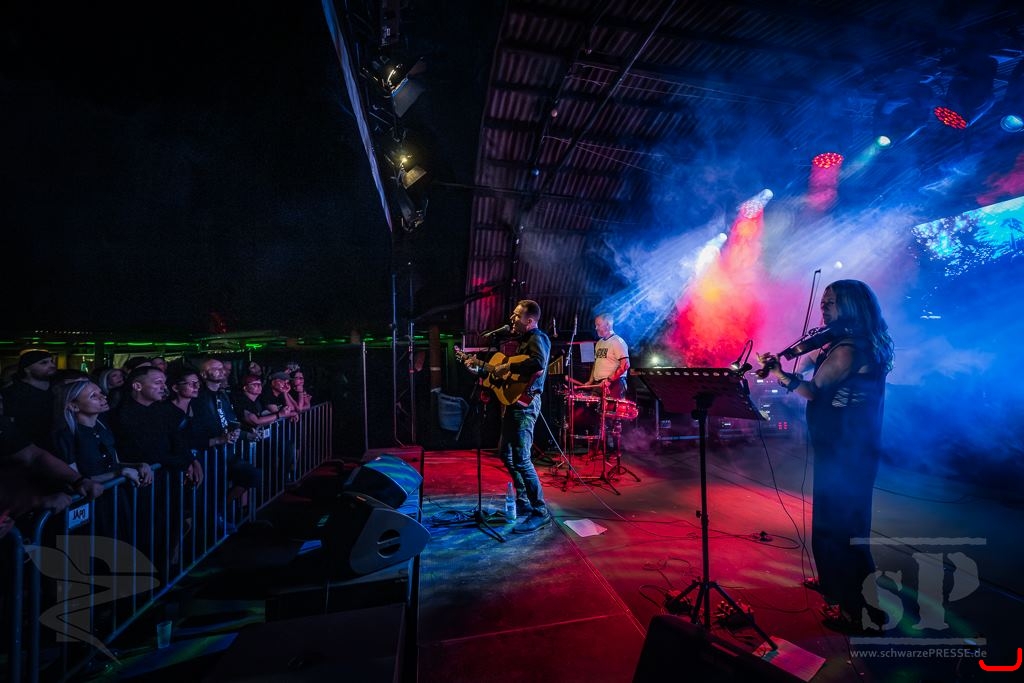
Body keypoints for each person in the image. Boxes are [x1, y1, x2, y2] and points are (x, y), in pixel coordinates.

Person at [757, 279, 894, 634]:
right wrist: (784, 361)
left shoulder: (850, 349)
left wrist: (779, 374)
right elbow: (808, 364)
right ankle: (835, 585)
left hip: (847, 451)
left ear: (851, 305)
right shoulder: (840, 342)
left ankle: (858, 612)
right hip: (843, 447)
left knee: (842, 530)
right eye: (823, 302)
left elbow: (813, 390)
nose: (824, 308)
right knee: (833, 525)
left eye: (831, 303)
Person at [463, 300, 552, 533]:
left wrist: (508, 366)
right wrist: (480, 370)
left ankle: (540, 511)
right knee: (506, 453)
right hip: (514, 404)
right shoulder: (522, 341)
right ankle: (523, 501)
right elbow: (506, 375)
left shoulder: (538, 337)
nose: (512, 318)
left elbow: (538, 363)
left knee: (522, 459)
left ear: (529, 320)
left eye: (516, 315)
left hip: (526, 405)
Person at [587, 314, 630, 399]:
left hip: (614, 384)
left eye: (598, 325)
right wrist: (590, 381)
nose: (596, 328)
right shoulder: (599, 343)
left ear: (607, 324)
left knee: (612, 408)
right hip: (599, 384)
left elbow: (625, 365)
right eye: (596, 325)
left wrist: (609, 380)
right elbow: (596, 364)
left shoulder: (617, 341)